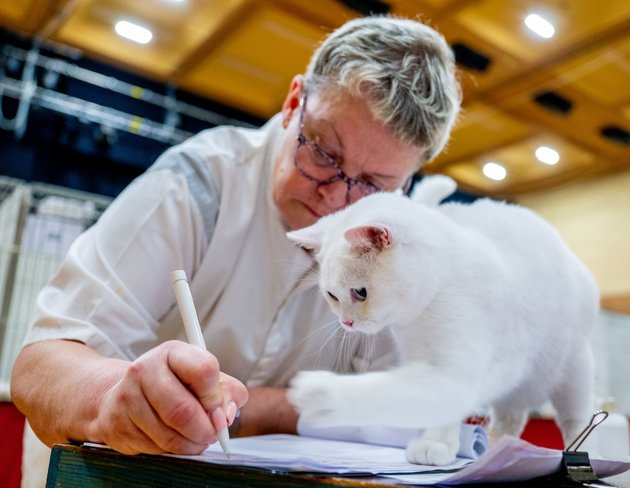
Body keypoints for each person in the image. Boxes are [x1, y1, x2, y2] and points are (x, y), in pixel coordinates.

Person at [11, 14, 461, 484]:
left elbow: (410, 399)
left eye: (372, 184)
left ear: (405, 185)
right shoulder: (200, 184)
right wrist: (110, 398)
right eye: (324, 154)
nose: (336, 198)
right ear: (293, 105)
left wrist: (264, 411)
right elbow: (39, 367)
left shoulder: (403, 246)